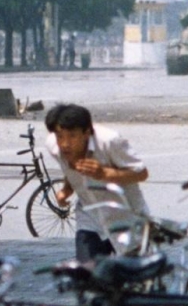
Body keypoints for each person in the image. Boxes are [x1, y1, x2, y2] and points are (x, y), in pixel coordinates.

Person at [44, 103, 150, 264]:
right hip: (90, 218)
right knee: (88, 276)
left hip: (126, 217)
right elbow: (69, 171)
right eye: (60, 136)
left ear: (87, 132)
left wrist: (105, 173)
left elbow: (141, 173)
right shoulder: (54, 146)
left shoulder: (110, 142)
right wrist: (66, 189)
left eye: (72, 136)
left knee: (133, 279)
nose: (65, 143)